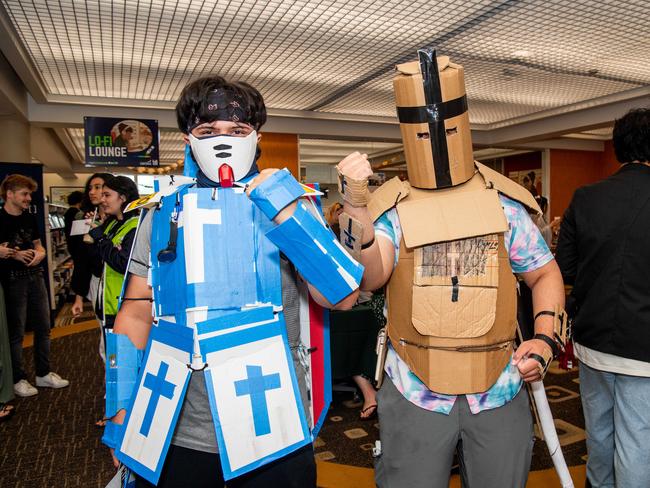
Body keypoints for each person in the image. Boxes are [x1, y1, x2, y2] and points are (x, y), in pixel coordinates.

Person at [103, 76, 362, 487]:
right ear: (188, 140)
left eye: (237, 131)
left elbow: (343, 296)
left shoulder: (294, 208)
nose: (222, 140)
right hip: (177, 428)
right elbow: (135, 312)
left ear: (256, 137)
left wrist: (284, 213)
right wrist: (120, 411)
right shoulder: (161, 215)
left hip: (274, 425)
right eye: (207, 131)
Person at [336, 49, 566, 487]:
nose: (437, 137)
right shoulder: (395, 209)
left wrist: (543, 340)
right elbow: (370, 276)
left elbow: (543, 272)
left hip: (500, 385)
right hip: (414, 390)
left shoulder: (504, 205)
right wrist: (356, 204)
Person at [555, 108, 650, 488]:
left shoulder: (586, 197)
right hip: (644, 350)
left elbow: (564, 268)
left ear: (616, 148)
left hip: (591, 342)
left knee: (598, 436)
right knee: (637, 443)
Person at [0, 174, 69, 397]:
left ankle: (43, 373)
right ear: (9, 194)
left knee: (44, 327)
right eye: (25, 194)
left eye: (29, 194)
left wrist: (39, 255)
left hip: (36, 276)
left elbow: (39, 246)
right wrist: (13, 254)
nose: (29, 198)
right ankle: (18, 378)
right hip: (12, 281)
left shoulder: (30, 218)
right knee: (16, 332)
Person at [87, 175, 140, 331]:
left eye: (107, 195)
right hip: (107, 305)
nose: (102, 200)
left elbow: (123, 263)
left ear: (122, 198)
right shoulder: (112, 225)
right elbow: (98, 263)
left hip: (124, 308)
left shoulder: (135, 226)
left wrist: (102, 240)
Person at [70, 173, 112, 318]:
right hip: (97, 281)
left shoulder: (121, 220)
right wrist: (79, 297)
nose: (92, 192)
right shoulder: (85, 221)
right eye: (90, 188)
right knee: (103, 326)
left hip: (119, 280)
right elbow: (81, 260)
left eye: (97, 187)